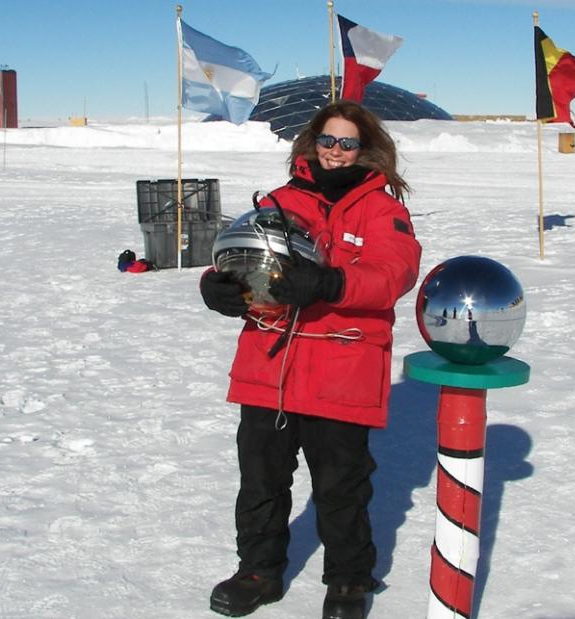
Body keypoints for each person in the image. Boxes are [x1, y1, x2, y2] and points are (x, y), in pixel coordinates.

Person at [199, 100, 421, 619]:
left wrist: (331, 281)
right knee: (260, 479)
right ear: (311, 143)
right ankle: (258, 571)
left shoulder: (383, 211)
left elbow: (393, 275)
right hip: (269, 365)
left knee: (340, 485)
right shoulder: (278, 201)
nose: (336, 153)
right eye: (328, 141)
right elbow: (237, 250)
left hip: (341, 370)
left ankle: (347, 580)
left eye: (347, 143)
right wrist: (216, 285)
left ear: (365, 149)